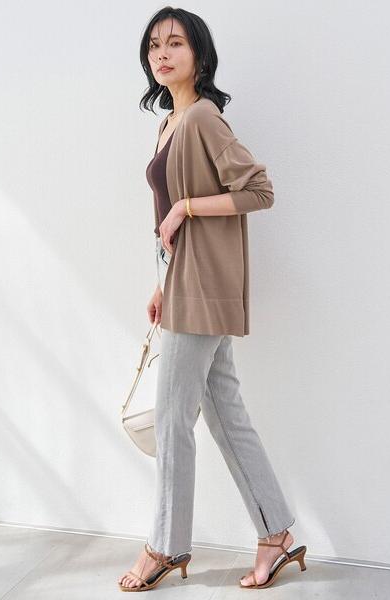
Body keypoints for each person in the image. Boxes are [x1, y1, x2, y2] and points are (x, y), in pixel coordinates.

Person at [118, 7, 306, 592]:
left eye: (176, 43)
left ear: (199, 54)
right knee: (225, 412)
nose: (162, 53)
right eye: (154, 45)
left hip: (202, 284)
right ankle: (276, 533)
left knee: (173, 419)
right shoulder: (170, 122)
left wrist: (187, 206)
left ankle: (165, 545)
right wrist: (161, 281)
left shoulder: (202, 117)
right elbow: (165, 222)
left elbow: (259, 190)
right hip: (182, 280)